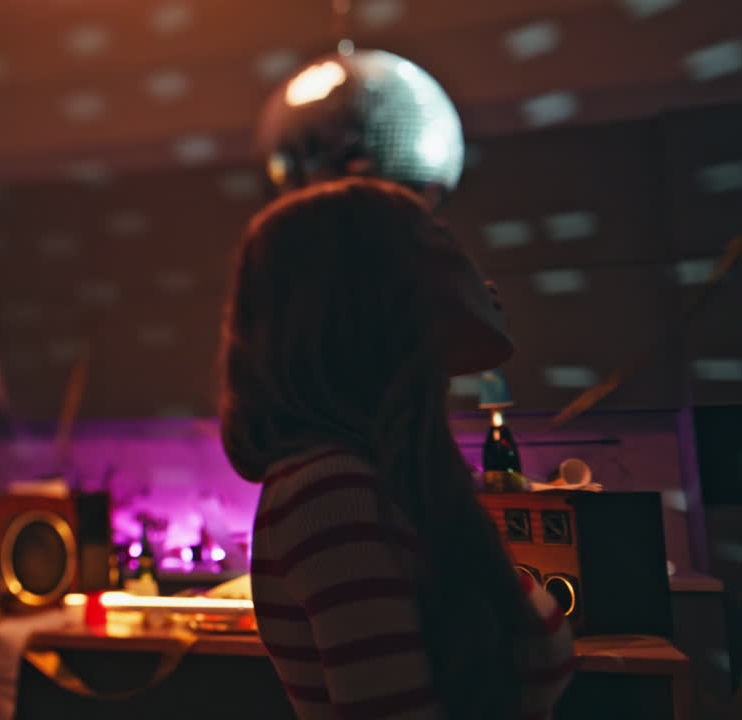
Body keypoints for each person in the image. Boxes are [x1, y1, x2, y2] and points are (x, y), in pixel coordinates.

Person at [219, 177, 575, 719]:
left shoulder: (388, 475)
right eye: (439, 240)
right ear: (379, 290)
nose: (478, 271)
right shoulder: (333, 491)